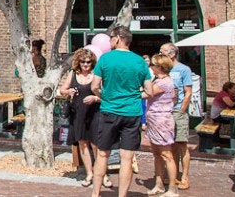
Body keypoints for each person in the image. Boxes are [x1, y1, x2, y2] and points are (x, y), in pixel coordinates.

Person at [90, 25, 150, 197]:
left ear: (117, 39)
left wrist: (105, 96)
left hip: (109, 111)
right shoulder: (139, 61)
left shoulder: (106, 59)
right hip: (132, 113)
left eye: (111, 39)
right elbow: (150, 91)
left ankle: (95, 193)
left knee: (102, 154)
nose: (109, 42)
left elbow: (94, 86)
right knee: (127, 158)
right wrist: (134, 96)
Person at [61, 48, 110, 189]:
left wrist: (95, 98)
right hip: (78, 113)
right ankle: (89, 174)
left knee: (96, 145)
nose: (86, 65)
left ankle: (102, 174)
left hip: (95, 113)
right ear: (78, 62)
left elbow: (106, 96)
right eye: (83, 62)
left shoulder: (97, 75)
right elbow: (62, 89)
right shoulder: (73, 74)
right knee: (83, 144)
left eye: (88, 62)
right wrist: (68, 91)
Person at [143, 54, 179, 197]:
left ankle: (173, 188)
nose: (151, 67)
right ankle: (159, 184)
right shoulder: (158, 80)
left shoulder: (164, 83)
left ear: (160, 67)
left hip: (161, 121)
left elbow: (147, 93)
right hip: (153, 120)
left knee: (166, 154)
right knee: (157, 154)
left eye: (153, 65)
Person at [160, 42, 193, 191]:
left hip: (177, 111)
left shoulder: (183, 70)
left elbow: (188, 92)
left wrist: (181, 110)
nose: (160, 55)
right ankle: (174, 175)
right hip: (165, 112)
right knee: (170, 144)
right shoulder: (163, 69)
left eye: (163, 52)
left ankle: (185, 177)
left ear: (172, 54)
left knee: (182, 145)